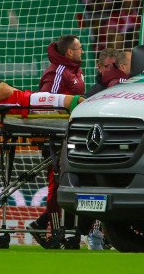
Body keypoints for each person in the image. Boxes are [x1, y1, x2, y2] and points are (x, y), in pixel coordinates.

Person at [32, 35, 85, 249]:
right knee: (57, 183)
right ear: (69, 52)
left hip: (70, 134)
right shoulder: (58, 71)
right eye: (79, 48)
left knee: (66, 182)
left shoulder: (75, 71)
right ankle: (55, 231)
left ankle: (41, 224)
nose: (82, 51)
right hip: (54, 135)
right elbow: (47, 101)